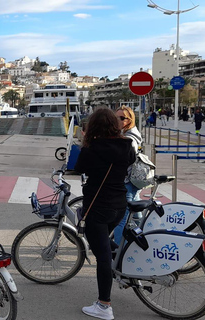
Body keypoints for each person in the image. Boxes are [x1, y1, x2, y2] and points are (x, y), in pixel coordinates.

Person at [75, 108, 135, 320]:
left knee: (101, 256)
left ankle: (104, 305)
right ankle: (125, 264)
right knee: (103, 245)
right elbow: (129, 162)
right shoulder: (127, 145)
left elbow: (79, 168)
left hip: (98, 207)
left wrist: (85, 142)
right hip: (119, 205)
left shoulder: (92, 149)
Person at [113, 106, 143, 245]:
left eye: (122, 118)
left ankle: (120, 255)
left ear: (129, 120)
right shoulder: (126, 133)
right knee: (136, 217)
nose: (118, 120)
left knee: (121, 220)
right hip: (133, 181)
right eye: (116, 117)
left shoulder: (130, 138)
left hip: (128, 181)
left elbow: (126, 157)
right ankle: (141, 241)